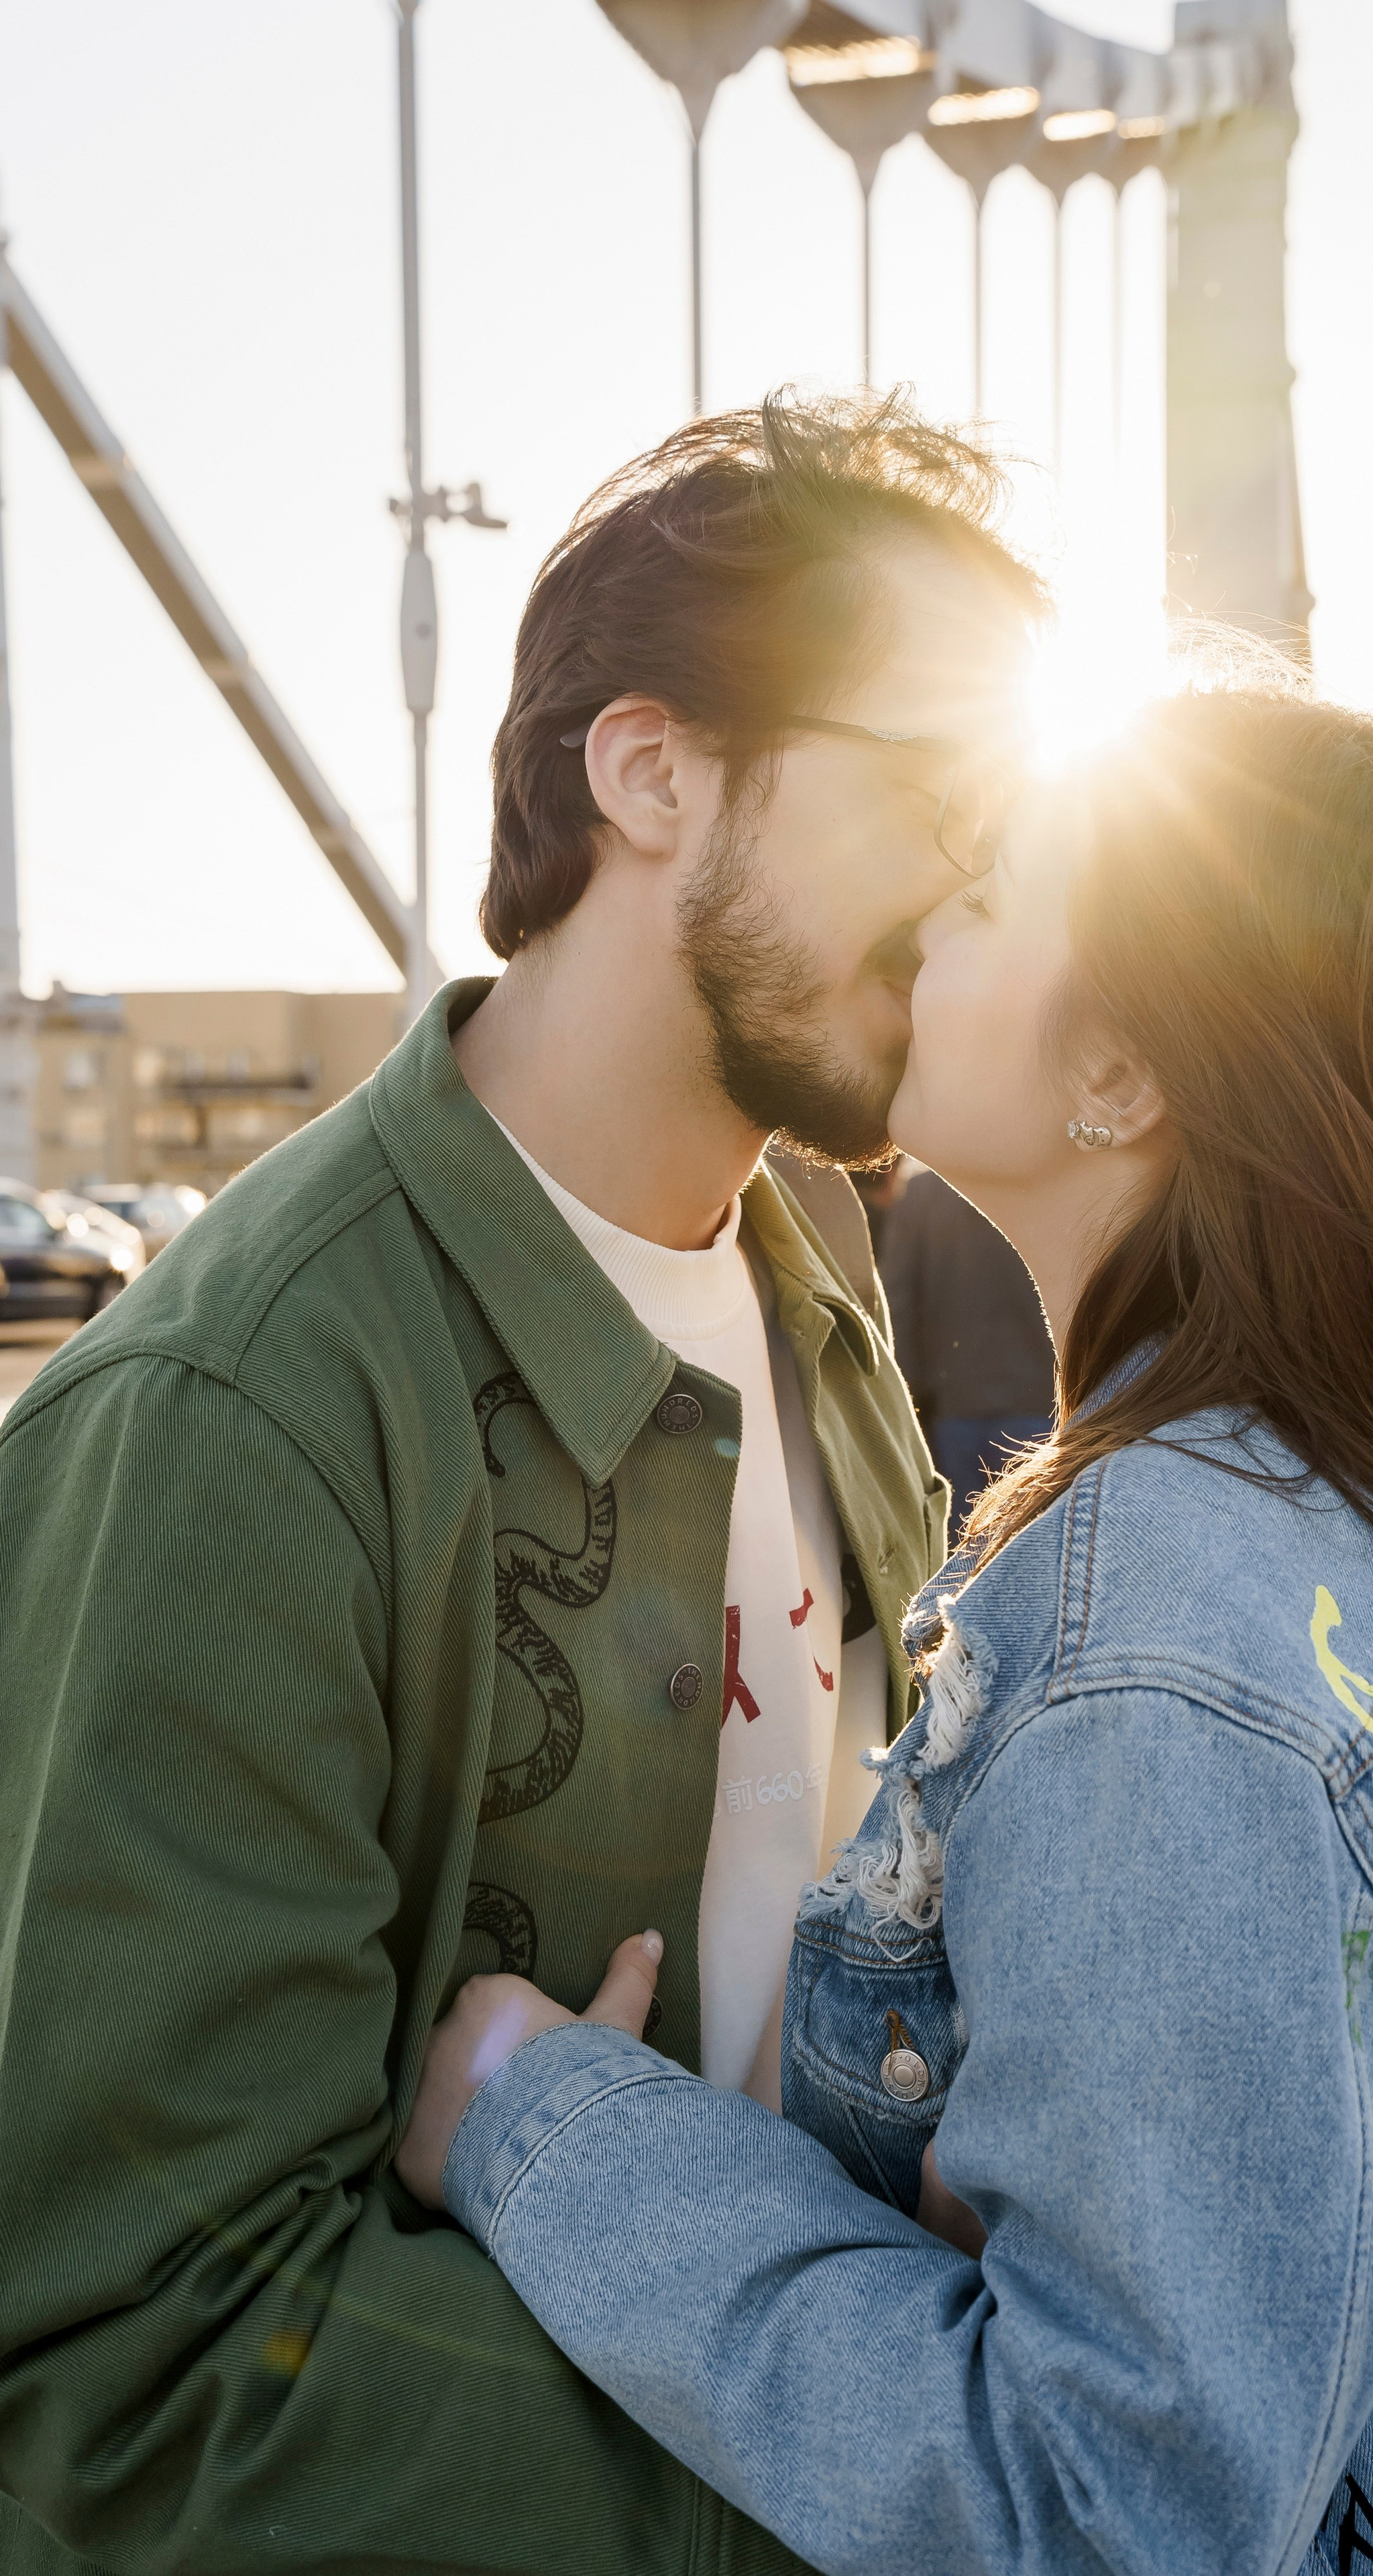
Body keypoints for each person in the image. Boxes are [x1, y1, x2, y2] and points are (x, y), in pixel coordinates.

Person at [398, 684, 1373, 2576]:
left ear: (1124, 1068)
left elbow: (1111, 2518)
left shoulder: (1161, 1637)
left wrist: (548, 2130)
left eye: (991, 901)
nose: (926, 921)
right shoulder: (1368, 1517)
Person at [0, 392, 1044, 2575]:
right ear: (652, 772)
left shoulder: (813, 1286)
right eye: (936, 788)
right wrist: (899, 2485)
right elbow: (133, 2384)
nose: (987, 887)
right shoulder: (239, 1426)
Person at [881, 1163, 1055, 1530]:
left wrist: (908, 1396)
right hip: (1042, 1399)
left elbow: (896, 1300)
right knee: (1035, 1544)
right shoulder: (1046, 1182)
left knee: (964, 1552)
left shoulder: (924, 1194)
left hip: (954, 1401)